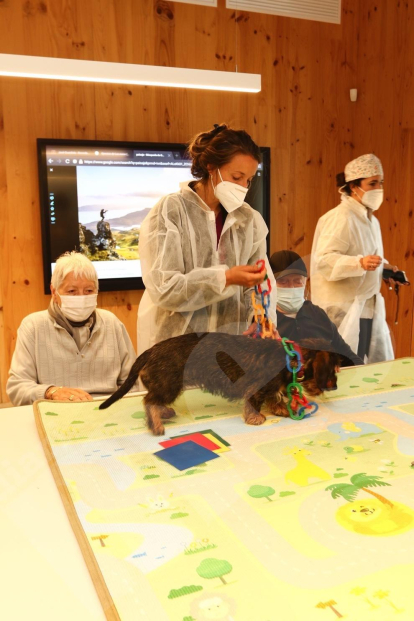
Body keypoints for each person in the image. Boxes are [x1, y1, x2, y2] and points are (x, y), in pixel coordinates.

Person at [137, 124, 277, 354]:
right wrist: (226, 278)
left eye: (249, 180)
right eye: (237, 177)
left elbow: (261, 279)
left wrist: (261, 317)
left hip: (230, 346)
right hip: (176, 349)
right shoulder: (171, 210)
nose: (243, 187)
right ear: (212, 167)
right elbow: (165, 288)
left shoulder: (248, 219)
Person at [7, 252, 137, 406]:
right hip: (56, 412)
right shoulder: (33, 326)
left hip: (107, 409)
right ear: (54, 292)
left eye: (89, 291)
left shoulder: (112, 323)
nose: (81, 297)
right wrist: (51, 392)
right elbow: (17, 387)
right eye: (71, 291)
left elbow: (133, 382)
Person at [311, 154, 403, 363]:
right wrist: (359, 263)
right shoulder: (341, 217)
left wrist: (384, 269)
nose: (378, 188)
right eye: (372, 183)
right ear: (353, 186)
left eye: (380, 182)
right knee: (341, 370)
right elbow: (324, 260)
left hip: (365, 309)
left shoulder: (371, 221)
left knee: (362, 367)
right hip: (342, 311)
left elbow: (365, 253)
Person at [269, 250, 363, 367]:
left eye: (297, 281)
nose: (291, 287)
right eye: (283, 282)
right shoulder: (266, 322)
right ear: (270, 284)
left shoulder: (317, 315)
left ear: (305, 282)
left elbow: (349, 356)